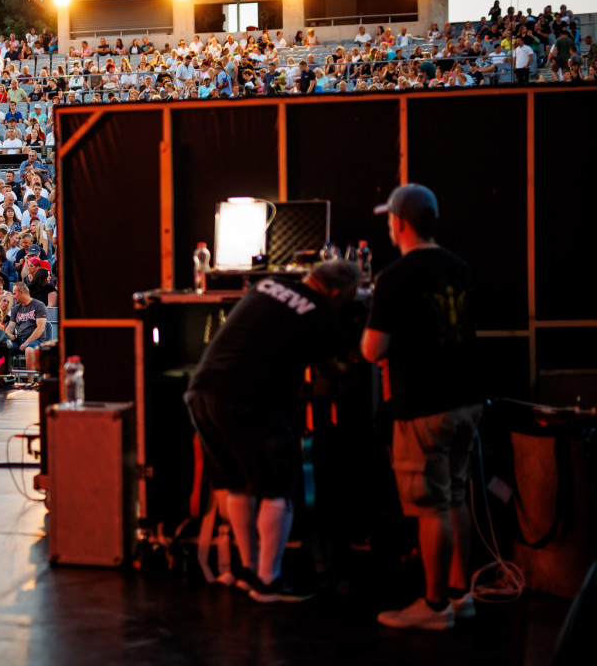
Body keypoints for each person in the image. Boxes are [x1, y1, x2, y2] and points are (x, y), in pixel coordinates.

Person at [184, 262, 360, 603]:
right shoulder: (318, 311)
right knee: (278, 485)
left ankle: (248, 571)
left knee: (236, 483)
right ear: (337, 294)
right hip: (246, 399)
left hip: (202, 391)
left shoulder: (269, 284)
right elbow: (336, 366)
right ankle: (269, 582)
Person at [362, 184, 481, 630]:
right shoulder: (462, 268)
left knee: (431, 506)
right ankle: (460, 594)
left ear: (400, 222)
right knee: (454, 496)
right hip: (467, 401)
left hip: (423, 407)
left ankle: (433, 608)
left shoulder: (395, 277)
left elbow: (373, 350)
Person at [6, 282, 48, 351]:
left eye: (15, 294)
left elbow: (41, 328)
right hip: (19, 340)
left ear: (21, 292)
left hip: (36, 340)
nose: (13, 297)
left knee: (29, 350)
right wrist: (9, 334)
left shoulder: (39, 305)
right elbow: (10, 326)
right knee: (4, 348)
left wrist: (27, 342)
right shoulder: (16, 309)